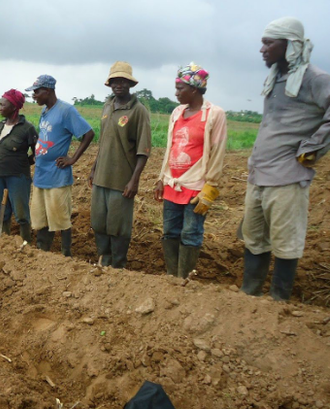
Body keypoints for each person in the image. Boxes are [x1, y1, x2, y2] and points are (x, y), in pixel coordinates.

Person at [240, 17, 330, 301]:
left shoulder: (315, 78)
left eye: (269, 43)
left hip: (288, 178)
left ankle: (279, 304)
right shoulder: (276, 78)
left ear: (289, 44)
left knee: (285, 244)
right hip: (259, 175)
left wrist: (312, 147)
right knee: (254, 240)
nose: (262, 49)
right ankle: (248, 296)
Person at [153, 63, 227, 278]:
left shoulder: (214, 114)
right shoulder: (177, 113)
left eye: (180, 88)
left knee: (191, 233)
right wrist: (161, 177)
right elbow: (171, 147)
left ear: (194, 89)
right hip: (172, 183)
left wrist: (211, 186)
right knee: (170, 232)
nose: (176, 93)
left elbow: (218, 151)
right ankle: (172, 276)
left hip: (196, 185)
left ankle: (184, 279)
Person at [89, 62, 152, 268]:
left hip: (121, 180)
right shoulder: (107, 106)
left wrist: (134, 181)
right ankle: (103, 261)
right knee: (99, 222)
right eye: (115, 80)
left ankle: (118, 266)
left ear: (130, 84)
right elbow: (104, 141)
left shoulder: (138, 111)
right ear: (110, 84)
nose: (119, 84)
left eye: (123, 81)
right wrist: (94, 167)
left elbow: (143, 150)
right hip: (101, 177)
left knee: (118, 226)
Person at [26, 75, 95, 256]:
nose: (34, 95)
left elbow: (88, 134)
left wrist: (72, 159)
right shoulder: (45, 111)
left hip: (57, 174)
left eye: (37, 91)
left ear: (47, 91)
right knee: (41, 217)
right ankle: (43, 252)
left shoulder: (66, 110)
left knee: (61, 218)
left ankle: (66, 255)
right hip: (41, 174)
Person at [0, 89, 38, 242]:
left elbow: (37, 152)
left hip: (18, 177)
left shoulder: (27, 128)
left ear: (13, 107)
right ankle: (5, 242)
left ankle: (26, 244)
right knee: (2, 212)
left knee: (21, 215)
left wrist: (24, 163)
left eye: (2, 104)